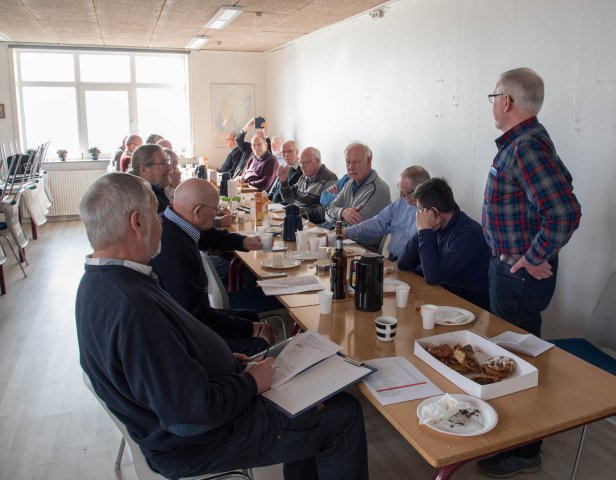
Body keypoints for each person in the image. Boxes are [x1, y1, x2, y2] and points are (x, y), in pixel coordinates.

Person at [76, 172, 369, 480]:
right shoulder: (134, 307)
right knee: (342, 415)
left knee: (315, 395)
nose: (162, 222)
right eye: (156, 213)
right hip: (199, 442)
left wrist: (228, 362)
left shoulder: (102, 281)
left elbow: (168, 362)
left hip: (200, 412)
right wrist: (250, 382)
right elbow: (190, 416)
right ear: (137, 222)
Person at [478, 67, 582, 478]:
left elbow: (564, 212)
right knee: (512, 357)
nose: (492, 105)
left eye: (493, 97)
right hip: (512, 271)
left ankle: (523, 449)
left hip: (517, 276)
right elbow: (560, 191)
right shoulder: (528, 141)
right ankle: (516, 440)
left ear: (506, 101)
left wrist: (531, 255)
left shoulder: (525, 147)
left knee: (516, 363)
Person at [150, 178, 274, 355]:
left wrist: (244, 242)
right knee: (257, 342)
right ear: (197, 211)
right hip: (182, 334)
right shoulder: (175, 249)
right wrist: (250, 329)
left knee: (250, 317)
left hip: (185, 317)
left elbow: (207, 236)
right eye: (215, 210)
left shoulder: (174, 221)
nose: (217, 215)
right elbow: (195, 315)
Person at [397, 178, 491, 310]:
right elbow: (403, 263)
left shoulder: (468, 233)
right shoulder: (436, 225)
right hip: (442, 292)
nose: (418, 215)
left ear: (434, 211)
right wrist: (421, 232)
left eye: (420, 210)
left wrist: (424, 231)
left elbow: (433, 276)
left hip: (467, 304)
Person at [343, 165, 430, 260]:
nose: (400, 196)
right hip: (392, 260)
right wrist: (347, 232)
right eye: (400, 190)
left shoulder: (430, 213)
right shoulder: (400, 203)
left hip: (414, 266)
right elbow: (378, 222)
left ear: (418, 191)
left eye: (404, 193)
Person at [325, 142, 391, 248]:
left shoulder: (379, 189)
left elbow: (355, 227)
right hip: (343, 242)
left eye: (356, 162)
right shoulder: (349, 183)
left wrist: (336, 217)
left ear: (368, 161)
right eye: (348, 162)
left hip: (363, 249)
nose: (351, 167)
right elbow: (328, 211)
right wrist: (343, 212)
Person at [280, 147, 338, 224]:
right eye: (301, 163)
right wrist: (283, 181)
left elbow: (326, 210)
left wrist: (301, 216)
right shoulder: (303, 177)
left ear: (317, 161)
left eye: (305, 163)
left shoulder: (329, 178)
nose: (302, 166)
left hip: (311, 224)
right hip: (296, 217)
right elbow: (288, 199)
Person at [128, 143, 172, 212]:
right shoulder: (144, 198)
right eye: (162, 163)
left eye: (167, 161)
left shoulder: (157, 189)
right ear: (143, 170)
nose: (169, 168)